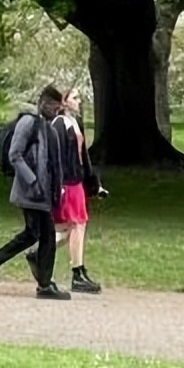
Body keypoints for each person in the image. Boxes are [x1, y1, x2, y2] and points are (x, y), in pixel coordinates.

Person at [0, 84, 70, 299]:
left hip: (44, 194)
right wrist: (32, 181)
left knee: (32, 234)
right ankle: (44, 285)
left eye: (58, 108)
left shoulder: (49, 128)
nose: (55, 112)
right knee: (46, 236)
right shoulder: (29, 123)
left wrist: (57, 190)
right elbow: (15, 155)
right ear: (43, 104)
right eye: (52, 107)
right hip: (30, 192)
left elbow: (54, 162)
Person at [46, 85, 105, 294]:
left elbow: (83, 157)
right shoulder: (59, 125)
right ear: (64, 101)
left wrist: (94, 184)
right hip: (67, 184)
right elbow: (55, 160)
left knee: (72, 228)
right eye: (75, 97)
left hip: (77, 182)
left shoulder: (74, 123)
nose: (79, 101)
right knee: (75, 226)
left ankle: (72, 269)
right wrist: (58, 187)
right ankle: (76, 272)